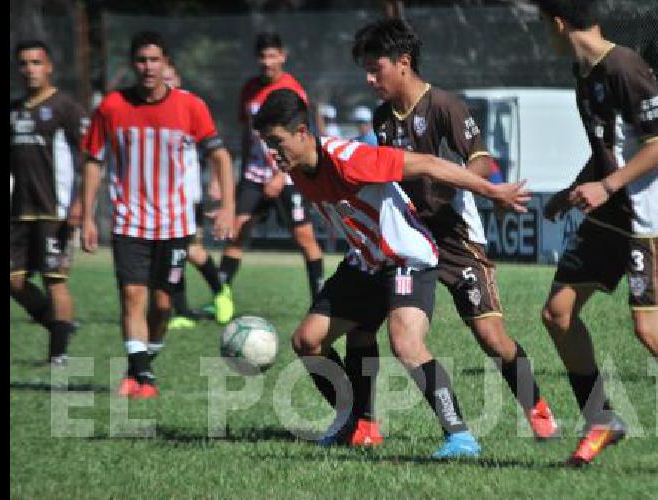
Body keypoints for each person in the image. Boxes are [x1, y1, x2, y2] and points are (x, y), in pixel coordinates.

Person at [253, 87, 530, 458]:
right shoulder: (298, 171)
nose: (273, 153)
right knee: (307, 340)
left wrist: (492, 191)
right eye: (267, 144)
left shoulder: (351, 159)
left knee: (406, 345)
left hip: (405, 259)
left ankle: (461, 437)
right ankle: (355, 422)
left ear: (302, 133)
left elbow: (430, 164)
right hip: (365, 263)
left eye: (277, 142)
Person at [323, 18, 559, 448]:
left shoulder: (445, 106)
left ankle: (536, 405)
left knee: (490, 336)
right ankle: (364, 423)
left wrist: (453, 181)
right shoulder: (381, 119)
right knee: (363, 329)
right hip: (407, 240)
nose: (369, 79)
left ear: (404, 64)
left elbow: (484, 161)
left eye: (376, 69)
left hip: (456, 237)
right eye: (366, 71)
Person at [535, 0, 658, 482]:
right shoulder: (584, 71)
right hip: (611, 210)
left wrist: (607, 186)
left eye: (545, 25)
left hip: (648, 216)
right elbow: (610, 146)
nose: (545, 34)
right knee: (558, 314)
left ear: (558, 23)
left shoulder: (622, 65)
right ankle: (602, 419)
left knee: (651, 331)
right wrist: (572, 189)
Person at [80, 31, 237, 399]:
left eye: (154, 60)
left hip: (175, 223)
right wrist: (85, 215)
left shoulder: (190, 107)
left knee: (163, 305)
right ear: (132, 64)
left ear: (166, 63)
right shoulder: (111, 108)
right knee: (133, 295)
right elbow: (93, 161)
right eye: (141, 60)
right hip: (129, 221)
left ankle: (141, 365)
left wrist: (228, 205)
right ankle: (143, 376)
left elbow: (220, 155)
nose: (148, 67)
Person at [221, 32, 326, 314]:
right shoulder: (249, 90)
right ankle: (221, 298)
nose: (267, 62)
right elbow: (247, 132)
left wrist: (281, 176)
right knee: (236, 232)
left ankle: (320, 298)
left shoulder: (293, 90)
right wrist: (243, 173)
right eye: (262, 57)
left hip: (288, 176)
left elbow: (303, 138)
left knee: (305, 238)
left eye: (272, 56)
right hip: (254, 175)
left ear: (282, 56)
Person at [9, 40, 87, 366]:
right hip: (18, 212)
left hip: (54, 211)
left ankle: (59, 354)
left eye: (36, 63)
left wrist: (80, 203)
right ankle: (61, 326)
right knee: (13, 280)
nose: (30, 70)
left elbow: (88, 158)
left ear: (49, 66)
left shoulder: (65, 107)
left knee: (55, 280)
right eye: (24, 64)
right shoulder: (13, 111)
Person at [156, 62, 232, 330]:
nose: (166, 83)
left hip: (186, 195)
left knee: (188, 250)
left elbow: (214, 148)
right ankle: (184, 311)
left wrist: (215, 182)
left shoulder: (190, 106)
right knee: (175, 253)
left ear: (178, 77)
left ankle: (219, 292)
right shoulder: (149, 109)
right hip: (157, 198)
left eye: (169, 77)